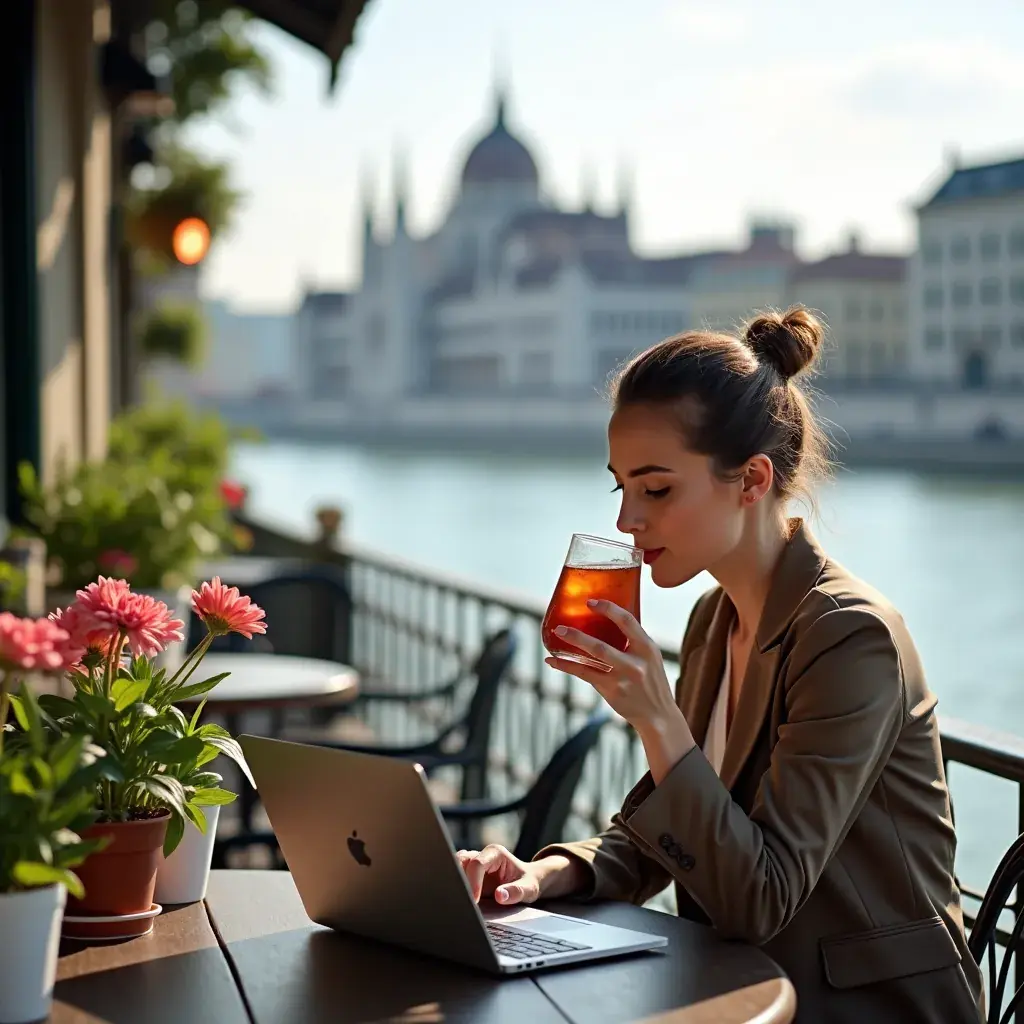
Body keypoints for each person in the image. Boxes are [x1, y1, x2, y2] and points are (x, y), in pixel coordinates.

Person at [457, 306, 985, 1023]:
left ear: (752, 479)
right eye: (622, 487)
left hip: (866, 1008)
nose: (626, 522)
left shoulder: (847, 636)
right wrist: (545, 875)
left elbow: (760, 897)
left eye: (657, 488)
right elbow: (667, 835)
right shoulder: (717, 618)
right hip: (734, 984)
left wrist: (657, 718)